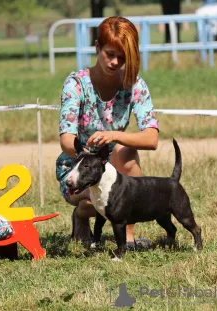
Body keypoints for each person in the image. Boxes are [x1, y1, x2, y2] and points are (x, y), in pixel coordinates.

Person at [56, 16, 159, 249]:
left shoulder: (135, 85)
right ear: (97, 47)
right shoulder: (75, 84)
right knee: (98, 201)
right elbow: (66, 141)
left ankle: (129, 238)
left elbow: (152, 139)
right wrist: (87, 155)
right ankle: (82, 215)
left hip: (115, 171)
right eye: (110, 54)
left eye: (122, 58)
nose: (115, 62)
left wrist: (114, 136)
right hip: (78, 168)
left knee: (126, 152)